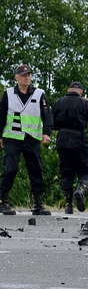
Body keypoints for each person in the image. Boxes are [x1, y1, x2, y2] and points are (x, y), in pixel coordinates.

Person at [0, 64, 54, 215]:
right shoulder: (8, 94)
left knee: (36, 170)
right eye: (23, 75)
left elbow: (47, 115)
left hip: (32, 138)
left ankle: (38, 204)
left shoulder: (39, 94)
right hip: (12, 138)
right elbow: (1, 115)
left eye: (28, 75)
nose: (27, 77)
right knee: (10, 169)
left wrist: (47, 132)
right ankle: (2, 201)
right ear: (16, 77)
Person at [52, 81, 88, 214]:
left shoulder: (59, 102)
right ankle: (81, 190)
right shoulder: (84, 103)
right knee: (85, 170)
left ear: (68, 90)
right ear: (81, 91)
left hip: (63, 140)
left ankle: (68, 205)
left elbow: (52, 122)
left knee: (66, 173)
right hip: (80, 140)